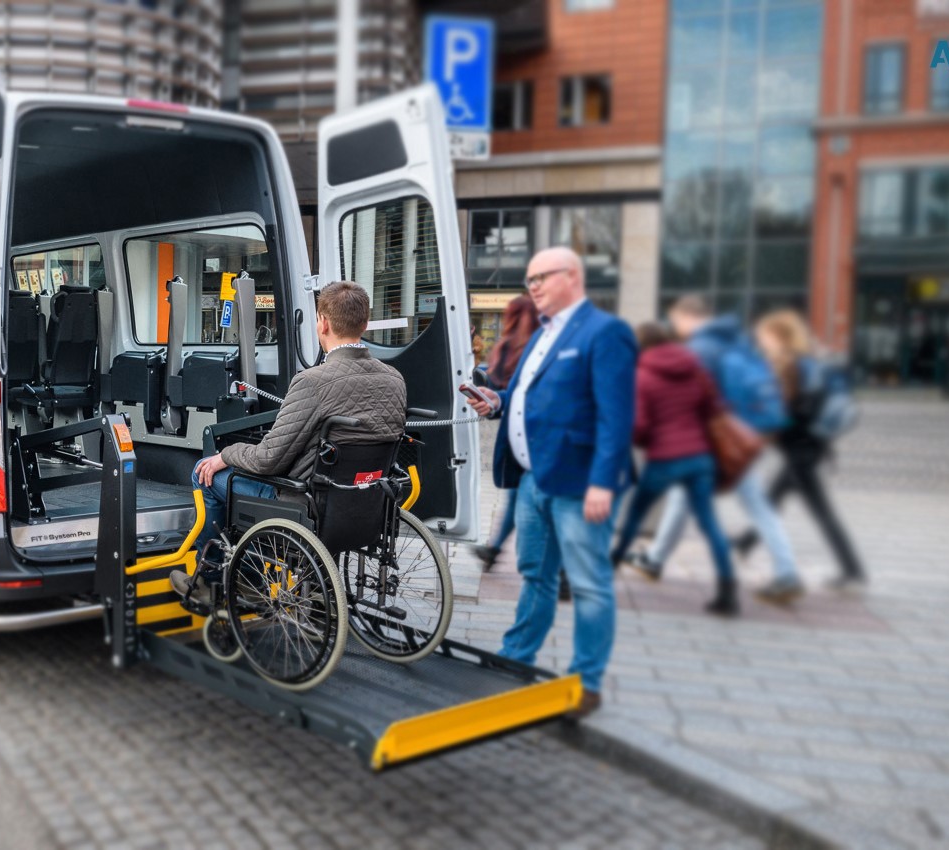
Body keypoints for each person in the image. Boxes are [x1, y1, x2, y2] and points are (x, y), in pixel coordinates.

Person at [461, 247, 636, 718]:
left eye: (542, 276)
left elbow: (618, 416)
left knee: (588, 583)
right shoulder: (545, 333)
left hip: (579, 483)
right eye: (529, 277)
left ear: (573, 276)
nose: (532, 285)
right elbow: (525, 396)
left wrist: (604, 482)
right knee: (535, 574)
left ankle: (586, 681)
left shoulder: (605, 333)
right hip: (533, 479)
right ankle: (517, 660)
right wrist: (495, 402)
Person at [169, 281, 407, 606]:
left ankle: (217, 581)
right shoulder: (395, 379)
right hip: (366, 505)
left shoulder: (312, 382)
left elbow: (268, 459)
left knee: (205, 474)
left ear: (321, 323)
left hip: (303, 504)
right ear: (364, 324)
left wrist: (225, 455)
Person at [627, 296, 803, 605]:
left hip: (716, 440)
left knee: (732, 502)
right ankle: (654, 558)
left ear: (685, 317)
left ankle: (785, 573)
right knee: (690, 499)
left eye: (677, 321)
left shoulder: (700, 349)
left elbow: (697, 399)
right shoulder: (738, 341)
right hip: (745, 436)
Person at [610, 322, 739, 615]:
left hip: (665, 458)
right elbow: (713, 411)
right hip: (700, 458)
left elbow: (640, 427)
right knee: (710, 525)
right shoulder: (696, 370)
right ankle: (728, 592)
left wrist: (646, 438)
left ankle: (607, 572)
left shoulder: (642, 375)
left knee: (634, 517)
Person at [738, 309, 867, 591]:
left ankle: (852, 571)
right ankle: (745, 543)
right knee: (773, 500)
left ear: (780, 336)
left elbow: (786, 411)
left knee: (814, 510)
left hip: (802, 450)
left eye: (764, 336)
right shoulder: (807, 363)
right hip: (808, 447)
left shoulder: (791, 365)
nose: (761, 341)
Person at [469, 294, 541, 574]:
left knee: (526, 501)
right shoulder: (532, 345)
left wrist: (494, 397)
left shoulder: (514, 347)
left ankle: (501, 550)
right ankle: (499, 549)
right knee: (522, 499)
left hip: (523, 437)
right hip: (528, 436)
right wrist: (497, 400)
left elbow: (498, 381)